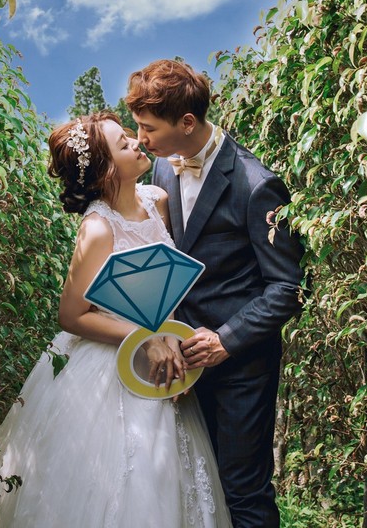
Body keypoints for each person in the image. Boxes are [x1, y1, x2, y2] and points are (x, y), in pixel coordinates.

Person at [0, 112, 232, 528]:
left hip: (163, 357)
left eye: (130, 135)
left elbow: (165, 285)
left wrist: (173, 346)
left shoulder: (157, 200)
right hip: (108, 364)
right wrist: (144, 337)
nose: (135, 142)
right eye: (122, 143)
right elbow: (71, 315)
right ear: (106, 169)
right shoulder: (96, 229)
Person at [126, 60, 305, 528]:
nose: (141, 139)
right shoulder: (162, 171)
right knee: (189, 485)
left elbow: (286, 288)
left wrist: (226, 339)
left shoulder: (258, 184)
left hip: (241, 366)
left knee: (243, 492)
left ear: (187, 123)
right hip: (179, 364)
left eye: (148, 128)